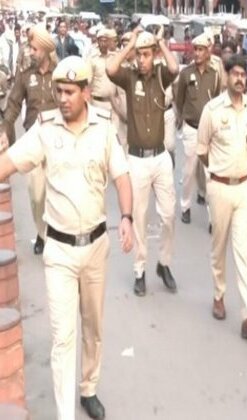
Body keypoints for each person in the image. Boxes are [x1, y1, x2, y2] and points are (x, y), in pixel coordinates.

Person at [0, 55, 133, 420]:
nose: (63, 98)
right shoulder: (45, 128)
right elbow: (9, 163)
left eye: (70, 92)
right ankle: (65, 414)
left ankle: (88, 388)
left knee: (93, 327)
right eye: (59, 91)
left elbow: (121, 176)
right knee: (63, 337)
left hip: (95, 247)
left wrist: (127, 217)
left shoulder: (104, 128)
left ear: (86, 93)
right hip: (58, 249)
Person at [107, 27, 179, 297]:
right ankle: (140, 270)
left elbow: (175, 67)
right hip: (136, 159)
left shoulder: (161, 75)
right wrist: (130, 45)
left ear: (154, 55)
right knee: (138, 218)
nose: (142, 60)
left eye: (146, 55)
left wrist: (160, 43)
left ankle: (164, 262)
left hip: (160, 157)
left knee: (169, 215)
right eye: (140, 55)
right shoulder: (130, 77)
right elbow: (111, 69)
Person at [196, 54, 247, 339]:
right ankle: (219, 294)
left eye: (243, 74)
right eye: (234, 73)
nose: (239, 78)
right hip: (220, 188)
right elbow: (202, 149)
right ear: (226, 77)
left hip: (244, 189)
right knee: (219, 247)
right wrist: (215, 176)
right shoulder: (212, 110)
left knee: (242, 251)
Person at [3, 23, 58, 255]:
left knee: (56, 193)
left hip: (58, 142)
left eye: (35, 49)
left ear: (45, 49)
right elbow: (14, 104)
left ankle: (52, 237)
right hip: (35, 141)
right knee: (36, 196)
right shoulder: (26, 76)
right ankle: (41, 231)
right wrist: (5, 131)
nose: (31, 53)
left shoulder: (60, 73)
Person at [175, 32, 224, 224]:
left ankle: (213, 216)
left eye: (201, 49)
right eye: (195, 49)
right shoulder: (186, 74)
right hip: (191, 129)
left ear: (208, 52)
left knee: (210, 173)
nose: (197, 53)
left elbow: (219, 98)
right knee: (189, 171)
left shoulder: (215, 74)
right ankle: (185, 206)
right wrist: (180, 118)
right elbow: (179, 100)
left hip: (209, 131)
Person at [87, 29, 117, 113]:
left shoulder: (114, 57)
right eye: (101, 41)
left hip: (113, 103)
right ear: (98, 42)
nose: (103, 43)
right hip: (97, 102)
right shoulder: (92, 59)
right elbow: (88, 81)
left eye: (105, 41)